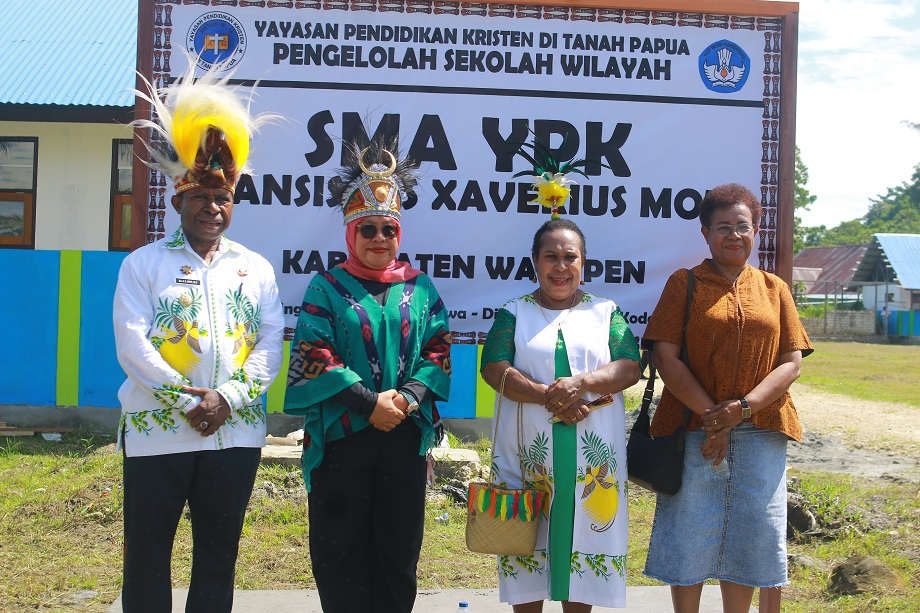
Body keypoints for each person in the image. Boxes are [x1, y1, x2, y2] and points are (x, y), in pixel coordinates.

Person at [114, 65, 283, 612]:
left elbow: (270, 346)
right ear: (179, 202)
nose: (214, 207)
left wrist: (225, 399)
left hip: (232, 434)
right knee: (146, 554)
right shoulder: (143, 265)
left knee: (218, 554)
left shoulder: (255, 268)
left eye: (224, 198)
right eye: (203, 197)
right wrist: (189, 400)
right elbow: (133, 348)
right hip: (158, 432)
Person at [284, 139, 452, 613]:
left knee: (398, 551)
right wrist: (369, 403)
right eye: (368, 229)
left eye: (388, 229)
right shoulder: (327, 286)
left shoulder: (420, 288)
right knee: (340, 551)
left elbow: (438, 349)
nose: (379, 238)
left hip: (403, 436)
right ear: (351, 233)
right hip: (344, 438)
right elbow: (313, 353)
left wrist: (404, 400)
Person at [480, 138, 641, 612]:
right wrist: (545, 395)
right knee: (528, 552)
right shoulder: (514, 312)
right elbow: (494, 367)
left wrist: (581, 384)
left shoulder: (605, 311)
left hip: (593, 463)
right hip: (527, 457)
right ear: (536, 262)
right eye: (551, 256)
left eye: (570, 257)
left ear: (583, 263)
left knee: (583, 550)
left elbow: (629, 366)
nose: (561, 266)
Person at [641, 183, 813, 613]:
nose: (733, 235)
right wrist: (714, 417)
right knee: (690, 533)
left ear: (756, 230)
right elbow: (666, 356)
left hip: (761, 431)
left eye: (742, 226)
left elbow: (791, 362)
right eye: (723, 227)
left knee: (751, 537)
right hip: (693, 428)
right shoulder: (684, 283)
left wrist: (742, 410)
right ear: (705, 233)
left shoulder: (775, 289)